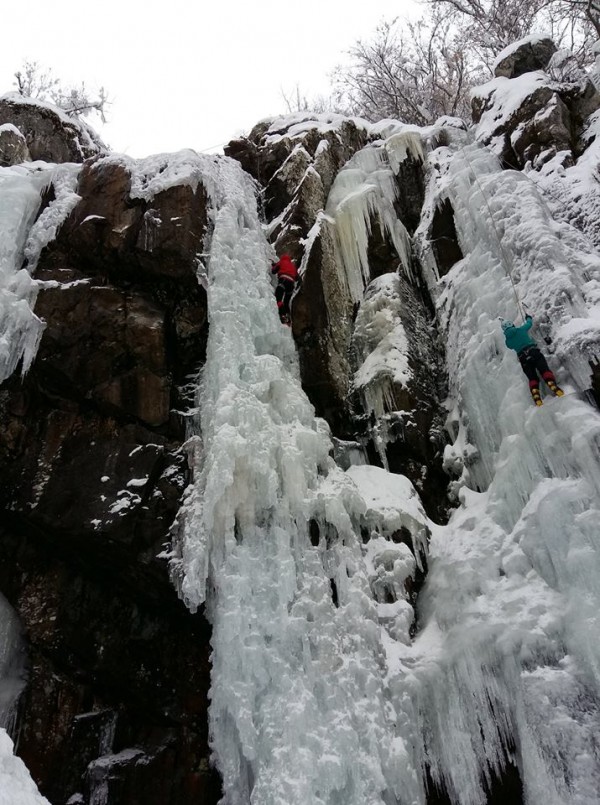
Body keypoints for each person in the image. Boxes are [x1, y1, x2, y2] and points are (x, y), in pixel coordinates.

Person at [500, 314, 563, 406]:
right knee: (544, 370)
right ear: (512, 324)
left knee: (532, 378)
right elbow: (529, 323)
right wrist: (528, 317)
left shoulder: (507, 341)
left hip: (523, 359)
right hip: (533, 352)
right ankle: (551, 384)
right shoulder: (521, 329)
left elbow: (510, 346)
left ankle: (536, 395)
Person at [271, 253, 299, 325]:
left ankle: (283, 315)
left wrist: (274, 265)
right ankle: (289, 319)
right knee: (286, 302)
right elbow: (297, 277)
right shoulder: (292, 266)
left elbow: (273, 271)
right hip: (291, 284)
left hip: (283, 280)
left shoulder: (281, 262)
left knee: (278, 298)